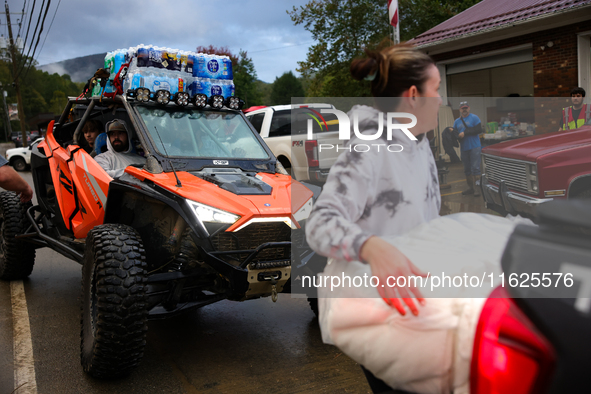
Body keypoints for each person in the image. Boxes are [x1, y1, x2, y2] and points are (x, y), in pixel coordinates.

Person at [305, 43, 441, 393]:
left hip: (414, 305)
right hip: (375, 311)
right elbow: (320, 222)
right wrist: (372, 247)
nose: (441, 100)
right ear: (413, 95)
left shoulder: (420, 143)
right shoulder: (368, 148)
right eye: (436, 90)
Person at [453, 101, 482, 197]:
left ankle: (477, 189)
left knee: (475, 168)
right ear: (460, 110)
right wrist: (454, 134)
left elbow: (478, 130)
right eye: (462, 108)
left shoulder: (474, 118)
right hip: (464, 148)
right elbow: (455, 134)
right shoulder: (457, 121)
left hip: (474, 147)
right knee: (467, 169)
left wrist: (465, 133)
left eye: (466, 108)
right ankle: (471, 188)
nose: (464, 109)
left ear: (469, 108)